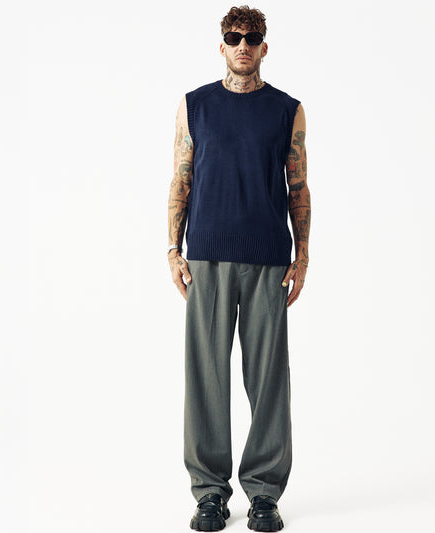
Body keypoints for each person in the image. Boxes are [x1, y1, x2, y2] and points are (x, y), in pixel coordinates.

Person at [167, 6, 310, 531]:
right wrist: (173, 249)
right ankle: (209, 492)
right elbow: (180, 178)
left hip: (268, 258)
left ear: (264, 47)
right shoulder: (195, 106)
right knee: (206, 378)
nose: (243, 45)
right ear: (222, 45)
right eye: (233, 37)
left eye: (252, 37)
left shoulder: (287, 110)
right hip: (206, 256)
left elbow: (298, 184)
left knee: (269, 380)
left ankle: (264, 491)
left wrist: (302, 254)